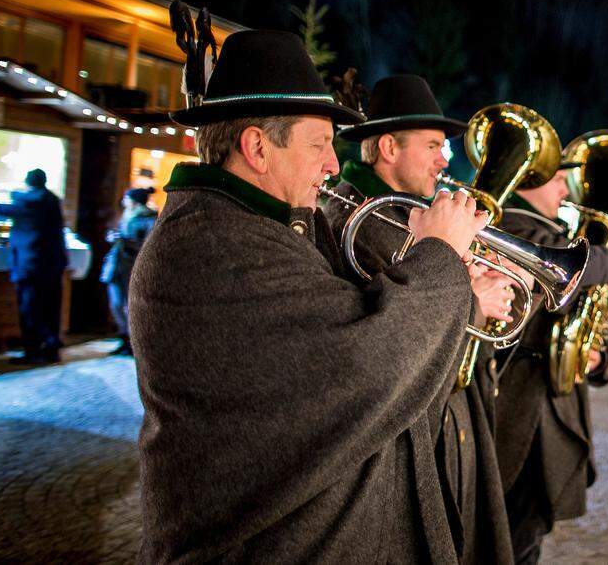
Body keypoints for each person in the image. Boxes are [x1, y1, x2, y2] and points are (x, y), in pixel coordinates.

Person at [128, 30, 489, 563]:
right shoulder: (212, 243)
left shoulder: (260, 225)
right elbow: (362, 361)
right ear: (257, 148)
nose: (333, 164)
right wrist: (437, 255)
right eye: (319, 143)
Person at [321, 74, 515, 563]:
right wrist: (471, 298)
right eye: (433, 145)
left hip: (450, 420)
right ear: (388, 147)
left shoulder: (412, 211)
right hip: (409, 441)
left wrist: (487, 285)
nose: (445, 159)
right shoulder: (354, 218)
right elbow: (397, 341)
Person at [494, 164, 608, 564]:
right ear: (526, 179)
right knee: (508, 537)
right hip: (517, 410)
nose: (565, 187)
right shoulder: (514, 226)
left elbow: (579, 319)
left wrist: (593, 354)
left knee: (529, 533)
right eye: (557, 177)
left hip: (550, 410)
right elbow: (570, 269)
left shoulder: (562, 237)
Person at [0, 168, 68, 364]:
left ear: (27, 182)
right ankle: (51, 349)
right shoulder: (51, 199)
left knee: (30, 309)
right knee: (50, 308)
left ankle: (33, 352)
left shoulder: (30, 200)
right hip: (52, 265)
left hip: (30, 265)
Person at [99, 187, 158, 356]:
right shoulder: (127, 216)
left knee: (129, 305)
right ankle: (123, 337)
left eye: (127, 198)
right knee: (116, 304)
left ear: (134, 201)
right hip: (117, 266)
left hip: (132, 266)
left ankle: (133, 341)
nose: (124, 201)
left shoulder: (148, 219)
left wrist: (125, 241)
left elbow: (149, 245)